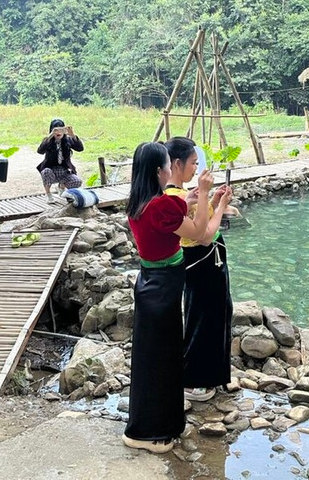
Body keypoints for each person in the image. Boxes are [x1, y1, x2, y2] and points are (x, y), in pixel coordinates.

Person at [123, 142, 231, 454]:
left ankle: (150, 425)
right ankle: (152, 432)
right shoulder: (160, 206)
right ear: (159, 171)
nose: (172, 170)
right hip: (165, 287)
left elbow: (173, 213)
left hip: (149, 282)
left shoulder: (140, 201)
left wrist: (192, 197)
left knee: (152, 359)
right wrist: (207, 193)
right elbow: (199, 232)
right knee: (161, 361)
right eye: (168, 166)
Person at [164, 137, 235, 403]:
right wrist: (219, 205)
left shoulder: (183, 195)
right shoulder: (175, 198)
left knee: (213, 315)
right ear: (177, 164)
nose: (196, 168)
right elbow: (204, 234)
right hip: (201, 260)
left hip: (207, 261)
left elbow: (204, 220)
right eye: (193, 163)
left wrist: (214, 200)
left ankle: (209, 375)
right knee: (203, 319)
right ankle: (196, 380)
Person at [37, 118, 84, 203]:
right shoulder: (48, 141)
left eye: (61, 129)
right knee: (46, 172)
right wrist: (50, 136)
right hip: (51, 170)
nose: (58, 133)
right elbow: (40, 151)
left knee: (77, 181)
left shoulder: (68, 140)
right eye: (56, 130)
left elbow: (80, 148)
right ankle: (48, 194)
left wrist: (72, 135)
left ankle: (61, 186)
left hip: (65, 170)